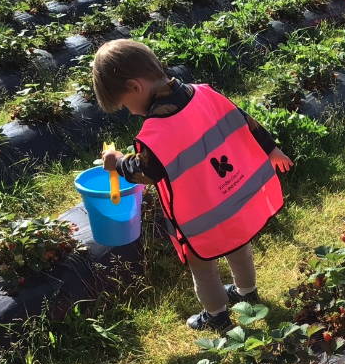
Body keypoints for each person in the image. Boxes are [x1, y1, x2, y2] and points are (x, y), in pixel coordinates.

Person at [92, 39, 293, 332]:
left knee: (203, 267)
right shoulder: (205, 94)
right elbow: (242, 119)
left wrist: (118, 162)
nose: (131, 112)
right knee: (239, 248)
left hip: (201, 216)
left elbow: (145, 172)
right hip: (233, 198)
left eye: (125, 105)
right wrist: (270, 147)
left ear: (135, 87)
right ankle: (248, 293)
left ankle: (217, 316)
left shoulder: (156, 131)